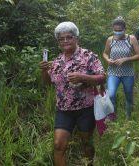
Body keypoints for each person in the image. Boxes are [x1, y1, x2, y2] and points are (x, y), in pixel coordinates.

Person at [39, 21, 106, 166]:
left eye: (68, 37)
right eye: (61, 39)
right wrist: (44, 70)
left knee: (86, 144)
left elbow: (102, 77)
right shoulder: (57, 61)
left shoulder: (88, 56)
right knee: (58, 145)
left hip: (86, 109)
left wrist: (83, 77)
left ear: (76, 38)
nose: (65, 41)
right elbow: (47, 83)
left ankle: (90, 163)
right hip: (63, 110)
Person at [103, 17, 139, 119]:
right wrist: (107, 60)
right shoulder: (110, 39)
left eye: (120, 30)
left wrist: (125, 59)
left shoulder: (131, 39)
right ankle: (113, 117)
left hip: (127, 73)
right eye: (115, 30)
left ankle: (128, 117)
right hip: (113, 72)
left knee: (129, 95)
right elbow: (105, 53)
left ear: (125, 29)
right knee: (111, 95)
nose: (117, 32)